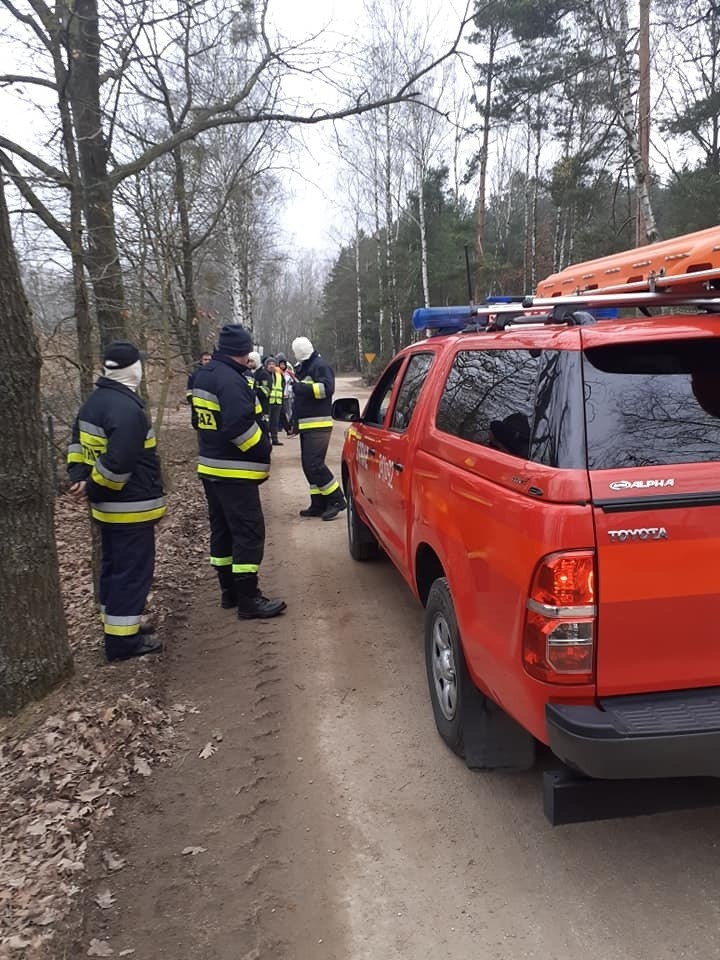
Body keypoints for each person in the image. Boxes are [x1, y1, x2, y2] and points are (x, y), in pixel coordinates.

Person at [67, 340, 165, 662]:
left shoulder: (93, 403)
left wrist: (79, 476)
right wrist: (95, 486)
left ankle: (119, 628)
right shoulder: (127, 409)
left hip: (108, 510)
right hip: (129, 508)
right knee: (132, 572)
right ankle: (123, 644)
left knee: (113, 569)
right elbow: (119, 462)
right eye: (140, 363)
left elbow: (76, 446)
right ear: (131, 368)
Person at [190, 324, 286, 619]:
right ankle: (249, 600)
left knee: (222, 531)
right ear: (240, 352)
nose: (249, 358)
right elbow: (238, 426)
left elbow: (198, 420)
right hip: (234, 472)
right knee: (247, 531)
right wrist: (263, 448)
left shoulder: (203, 375)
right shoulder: (231, 381)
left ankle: (229, 593)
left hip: (211, 466)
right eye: (246, 352)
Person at [291, 336, 347, 521]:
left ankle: (337, 499)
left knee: (314, 464)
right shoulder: (303, 367)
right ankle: (318, 503)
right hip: (306, 423)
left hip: (319, 423)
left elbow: (327, 389)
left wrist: (302, 389)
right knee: (308, 466)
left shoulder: (320, 365)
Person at [264, 356, 284, 446]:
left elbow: (282, 386)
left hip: (278, 401)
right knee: (267, 422)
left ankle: (275, 439)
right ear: (266, 366)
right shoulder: (264, 375)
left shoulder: (279, 375)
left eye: (273, 364)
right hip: (268, 402)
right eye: (269, 364)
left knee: (275, 422)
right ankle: (266, 439)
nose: (271, 366)